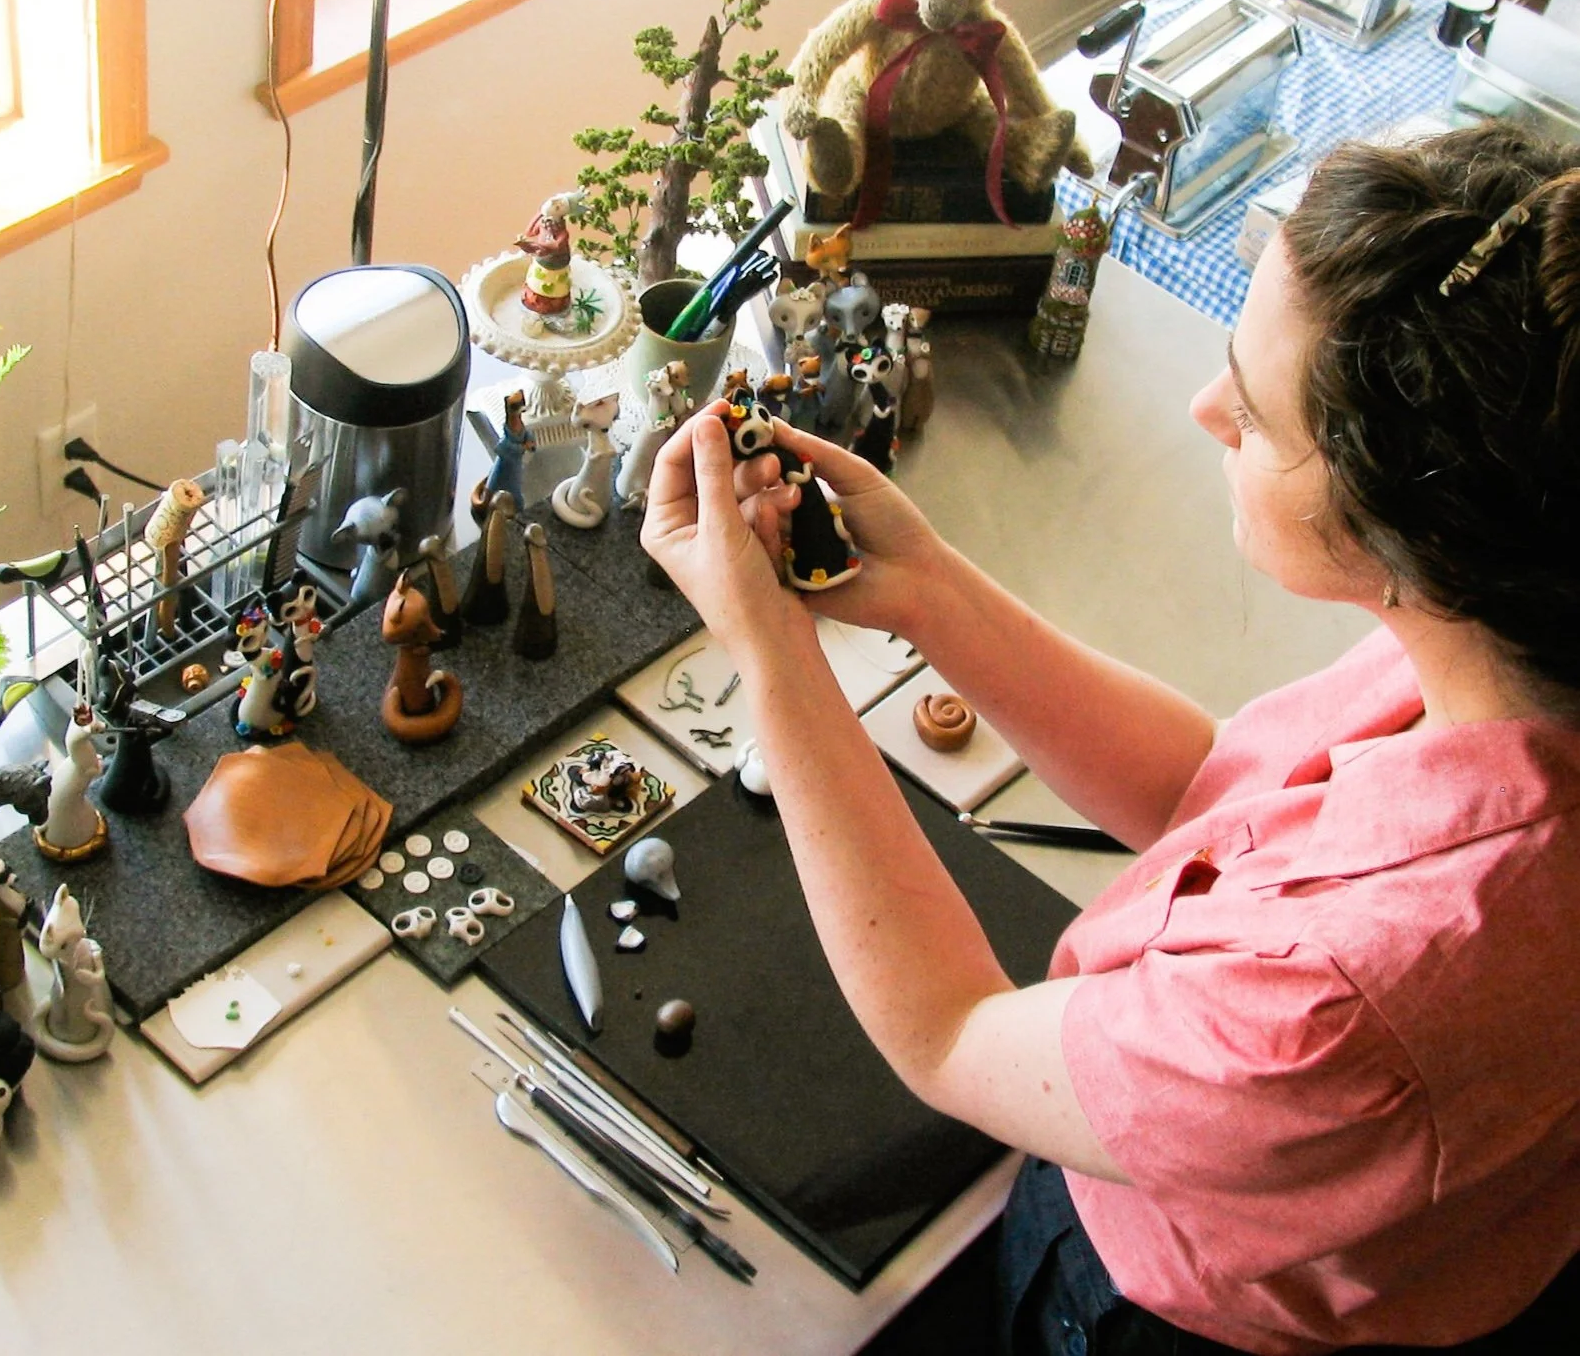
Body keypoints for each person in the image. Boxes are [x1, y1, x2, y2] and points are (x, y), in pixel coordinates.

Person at [639, 121, 1580, 1356]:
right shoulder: (1513, 641)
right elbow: (1211, 789)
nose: (1202, 406)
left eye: (1249, 410)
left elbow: (949, 1035)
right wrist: (929, 586)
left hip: (1168, 1312)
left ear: (1404, 525)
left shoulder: (1335, 1017)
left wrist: (771, 657)